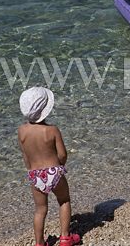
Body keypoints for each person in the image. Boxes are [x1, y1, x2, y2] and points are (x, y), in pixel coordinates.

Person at [17, 87, 80, 246]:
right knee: (64, 201)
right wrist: (60, 166)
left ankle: (39, 242)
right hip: (54, 171)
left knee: (40, 209)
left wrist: (31, 170)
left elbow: (26, 156)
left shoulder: (22, 131)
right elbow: (63, 154)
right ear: (46, 109)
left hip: (35, 174)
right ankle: (65, 237)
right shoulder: (51, 130)